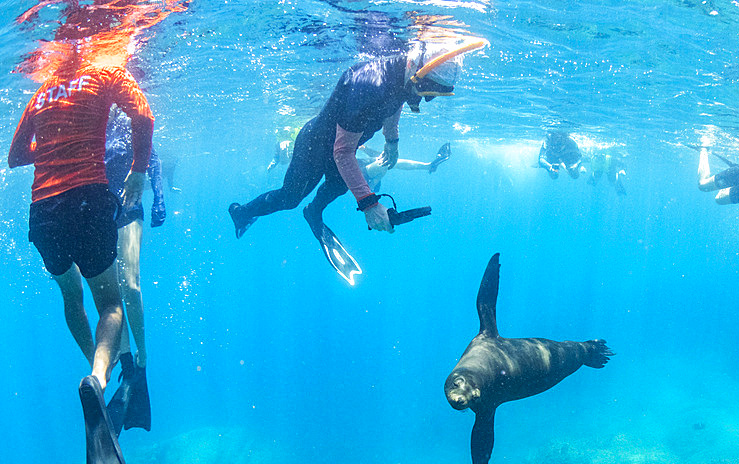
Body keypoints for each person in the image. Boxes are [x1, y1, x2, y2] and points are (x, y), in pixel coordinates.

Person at [8, 44, 153, 464]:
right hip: (89, 199)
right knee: (110, 302)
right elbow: (144, 117)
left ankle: (93, 369)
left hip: (43, 211)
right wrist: (135, 170)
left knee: (70, 297)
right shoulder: (107, 71)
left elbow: (13, 156)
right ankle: (99, 376)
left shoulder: (44, 90)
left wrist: (49, 147)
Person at [229, 39, 486, 283]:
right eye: (425, 89)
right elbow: (342, 153)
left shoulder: (402, 75)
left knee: (337, 187)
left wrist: (391, 140)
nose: (426, 98)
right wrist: (369, 204)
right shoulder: (368, 86)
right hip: (315, 146)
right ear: (413, 67)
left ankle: (313, 212)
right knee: (289, 199)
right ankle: (241, 212)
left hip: (344, 147)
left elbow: (396, 100)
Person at [104, 105, 165, 434]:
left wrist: (159, 197)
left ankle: (141, 358)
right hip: (100, 211)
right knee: (110, 291)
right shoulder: (100, 123)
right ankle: (127, 364)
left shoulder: (135, 122)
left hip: (130, 208)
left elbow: (152, 159)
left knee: (130, 284)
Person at [358, 141, 450, 192]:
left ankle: (429, 166)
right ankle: (429, 166)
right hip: (360, 174)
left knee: (387, 161)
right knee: (385, 163)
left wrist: (365, 149)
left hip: (362, 170)